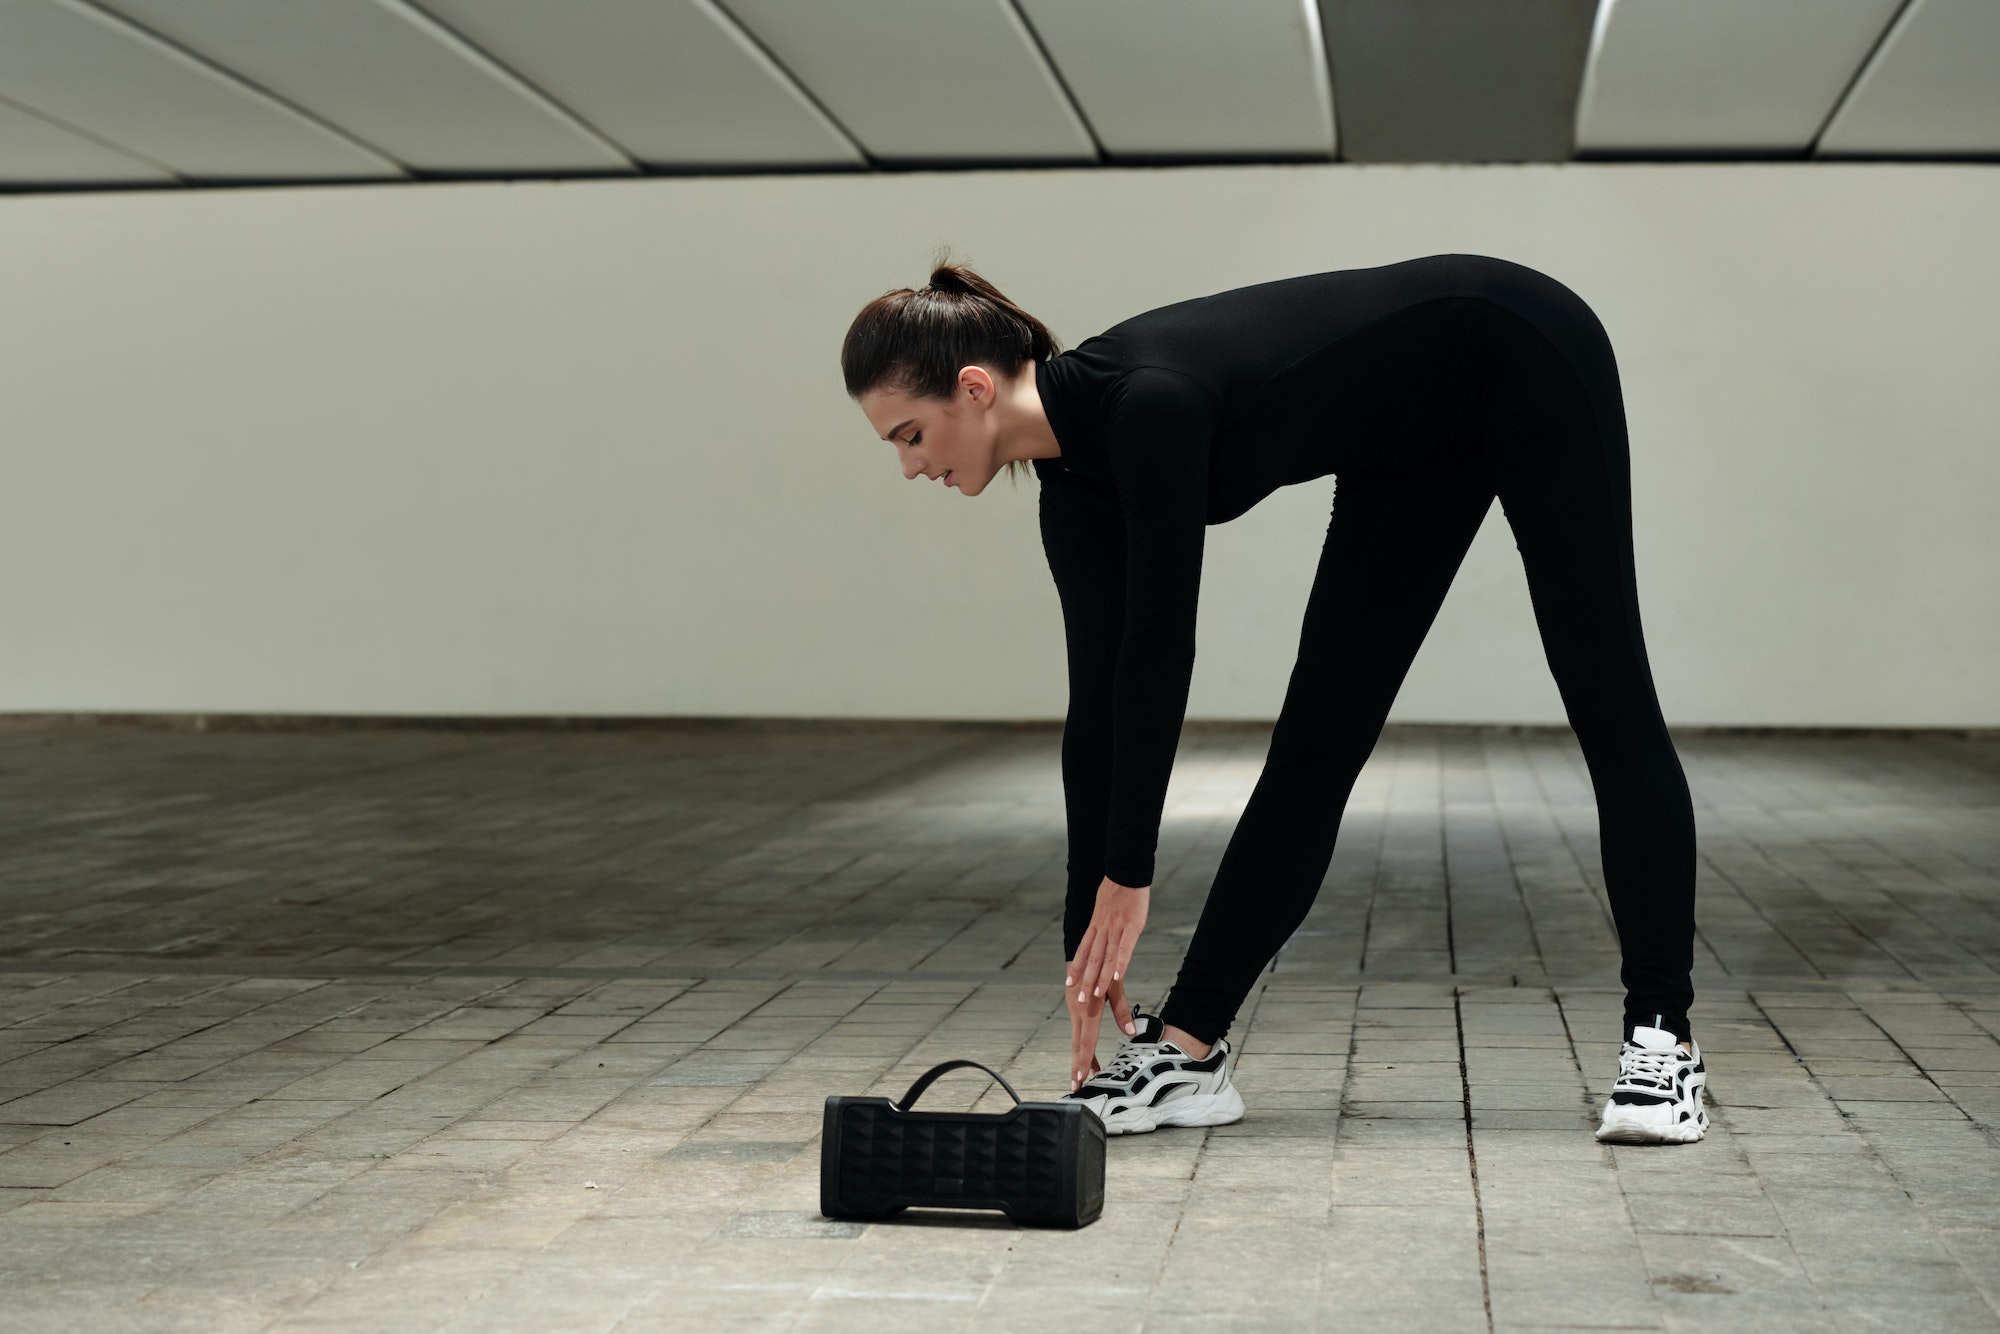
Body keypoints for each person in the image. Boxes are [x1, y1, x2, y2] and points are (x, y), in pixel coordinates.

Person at [841, 251, 1707, 1146]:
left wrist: (1130, 874)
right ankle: (1189, 1052)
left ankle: (1662, 1034)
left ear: (974, 388)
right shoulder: (1072, 495)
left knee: (1605, 688)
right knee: (1316, 746)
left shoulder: (1148, 404)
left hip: (1520, 351)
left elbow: (1159, 650)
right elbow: (1097, 710)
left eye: (909, 435)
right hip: (1404, 445)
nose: (910, 467)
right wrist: (1086, 940)